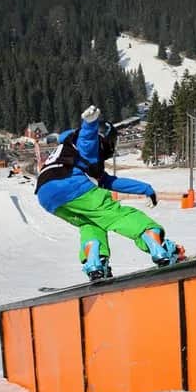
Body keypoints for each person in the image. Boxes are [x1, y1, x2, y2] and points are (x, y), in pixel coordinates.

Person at [35, 104, 183, 281]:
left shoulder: (71, 150)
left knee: (90, 222)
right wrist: (90, 122)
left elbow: (111, 182)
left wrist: (145, 189)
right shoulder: (87, 144)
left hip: (47, 196)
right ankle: (157, 245)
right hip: (71, 184)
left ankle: (95, 262)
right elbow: (87, 139)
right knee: (118, 215)